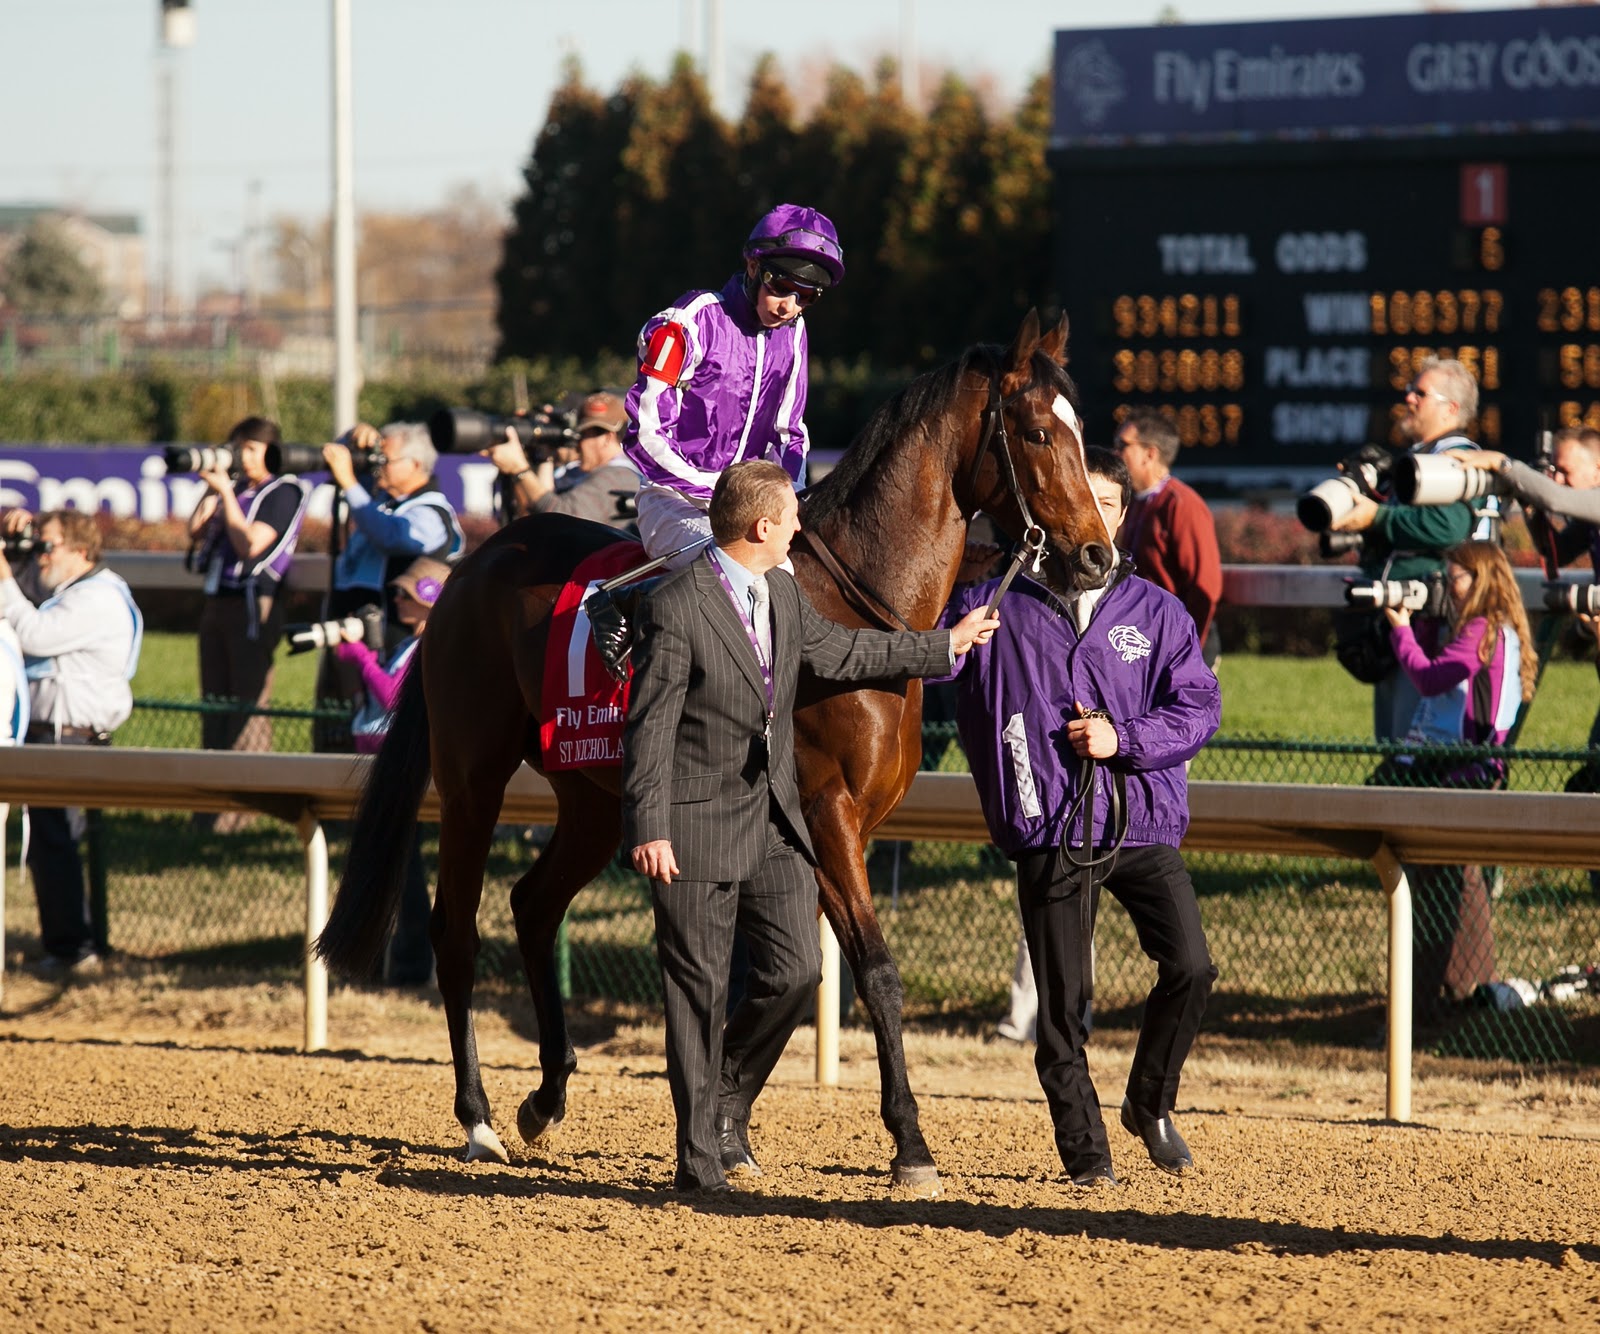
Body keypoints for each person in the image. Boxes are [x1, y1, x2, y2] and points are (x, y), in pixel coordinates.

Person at [622, 459, 998, 1194]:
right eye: (793, 517)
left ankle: (726, 1096)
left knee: (796, 970)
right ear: (763, 526)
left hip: (773, 820)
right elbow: (650, 727)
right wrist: (650, 825)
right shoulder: (676, 605)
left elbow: (841, 652)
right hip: (693, 826)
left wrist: (943, 645)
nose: (802, 526)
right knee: (698, 994)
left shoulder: (782, 590)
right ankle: (699, 1164)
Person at [944, 447, 1220, 1187]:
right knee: (1063, 1009)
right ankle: (1088, 1158)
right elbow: (927, 663)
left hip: (1140, 821)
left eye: (1108, 502)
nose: (1093, 513)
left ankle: (1148, 1104)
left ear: (1123, 516)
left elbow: (1199, 707)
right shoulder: (996, 600)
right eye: (1081, 498)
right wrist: (952, 640)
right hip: (1050, 827)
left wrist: (1122, 740)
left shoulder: (1158, 610)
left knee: (1191, 967)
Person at [622, 203, 844, 570]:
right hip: (674, 502)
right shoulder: (690, 320)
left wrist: (788, 495)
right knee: (736, 564)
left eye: (806, 296)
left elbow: (789, 433)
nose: (788, 307)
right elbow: (644, 434)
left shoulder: (794, 335)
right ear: (753, 266)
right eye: (782, 287)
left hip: (754, 509)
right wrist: (725, 494)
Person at [1374, 540, 1536, 1022]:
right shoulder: (1500, 629)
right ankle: (1466, 988)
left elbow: (1430, 678)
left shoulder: (1483, 629)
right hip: (1474, 771)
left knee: (1437, 886)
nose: (1448, 586)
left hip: (1462, 772)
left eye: (1455, 578)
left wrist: (1402, 632)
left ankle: (1431, 999)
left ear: (1481, 579)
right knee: (1458, 881)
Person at [0, 508, 143, 976]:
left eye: (48, 546)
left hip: (71, 739)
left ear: (81, 551)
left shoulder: (97, 596)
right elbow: (26, 603)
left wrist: (5, 577)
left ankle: (73, 951)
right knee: (50, 846)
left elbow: (34, 635)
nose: (40, 556)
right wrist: (15, 550)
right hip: (53, 737)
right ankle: (67, 946)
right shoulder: (70, 591)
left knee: (58, 843)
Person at [1330, 357, 1501, 743]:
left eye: (1420, 393)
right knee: (1393, 742)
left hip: (1438, 621)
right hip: (1405, 615)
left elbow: (1449, 528)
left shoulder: (1458, 458)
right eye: (1410, 389)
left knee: (1416, 747)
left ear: (1451, 408)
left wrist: (1376, 517)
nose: (1408, 398)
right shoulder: (1423, 458)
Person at [334, 556, 451, 986]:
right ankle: (390, 965)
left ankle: (411, 967)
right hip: (385, 765)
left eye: (406, 592)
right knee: (394, 870)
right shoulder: (410, 644)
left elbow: (393, 700)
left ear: (430, 597)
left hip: (405, 771)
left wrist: (363, 659)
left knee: (405, 874)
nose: (397, 598)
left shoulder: (430, 644)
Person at [318, 421, 464, 750]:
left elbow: (391, 535)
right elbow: (333, 460)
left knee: (387, 742)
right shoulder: (383, 500)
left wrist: (350, 483)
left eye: (385, 459)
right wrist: (355, 437)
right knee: (334, 737)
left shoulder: (432, 512)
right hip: (354, 641)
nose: (377, 465)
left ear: (415, 464)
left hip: (396, 651)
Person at [186, 416, 311, 766]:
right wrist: (214, 488)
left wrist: (226, 493)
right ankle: (211, 782)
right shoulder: (236, 487)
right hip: (218, 600)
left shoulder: (284, 491)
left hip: (254, 604)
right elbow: (195, 531)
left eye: (252, 449)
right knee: (214, 698)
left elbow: (250, 545)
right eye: (239, 449)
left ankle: (248, 788)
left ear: (272, 451)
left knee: (248, 701)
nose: (244, 457)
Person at [1115, 410, 1224, 668]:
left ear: (1150, 454)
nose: (1115, 452)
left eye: (1123, 445)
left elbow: (1205, 587)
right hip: (1144, 640)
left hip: (1180, 645)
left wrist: (1187, 652)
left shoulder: (1183, 505)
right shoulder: (1134, 503)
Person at [486, 390, 641, 528]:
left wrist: (520, 469)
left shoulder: (618, 476)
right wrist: (545, 457)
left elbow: (561, 517)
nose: (577, 445)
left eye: (582, 436)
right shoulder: (588, 474)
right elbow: (540, 515)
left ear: (607, 437)